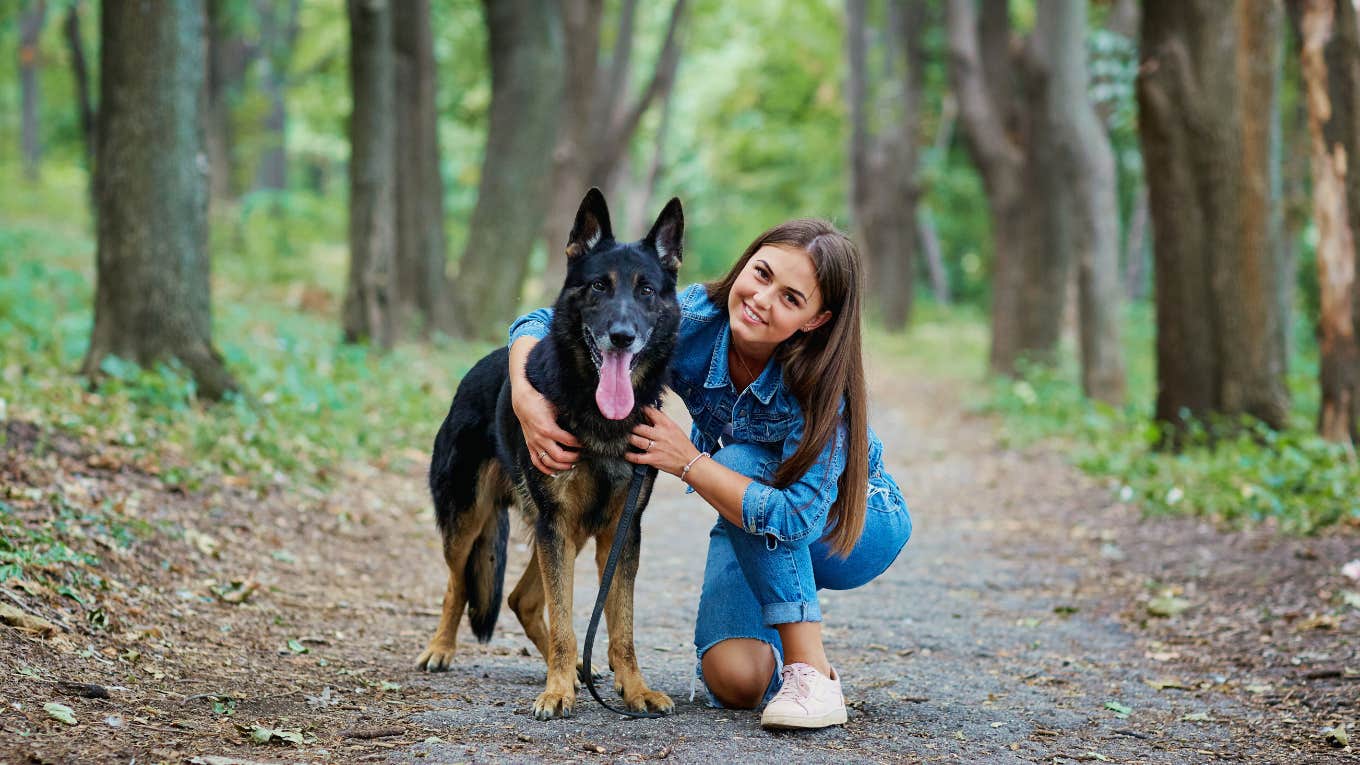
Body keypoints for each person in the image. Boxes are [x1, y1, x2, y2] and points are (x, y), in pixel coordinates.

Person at [507, 218, 912, 730]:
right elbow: (543, 319)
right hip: (746, 516)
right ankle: (775, 634)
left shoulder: (825, 386)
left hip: (849, 526)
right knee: (736, 683)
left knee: (738, 461)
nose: (763, 299)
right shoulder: (693, 317)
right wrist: (524, 397)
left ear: (815, 319)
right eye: (761, 274)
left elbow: (791, 516)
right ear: (744, 264)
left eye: (791, 299)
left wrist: (689, 463)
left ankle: (812, 674)